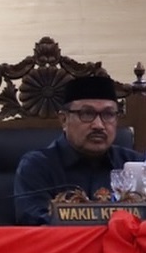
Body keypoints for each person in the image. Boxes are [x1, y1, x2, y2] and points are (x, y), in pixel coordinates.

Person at [13, 74, 144, 225]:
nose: (98, 125)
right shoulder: (37, 166)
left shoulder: (136, 163)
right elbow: (34, 222)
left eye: (108, 114)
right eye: (87, 113)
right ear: (64, 120)